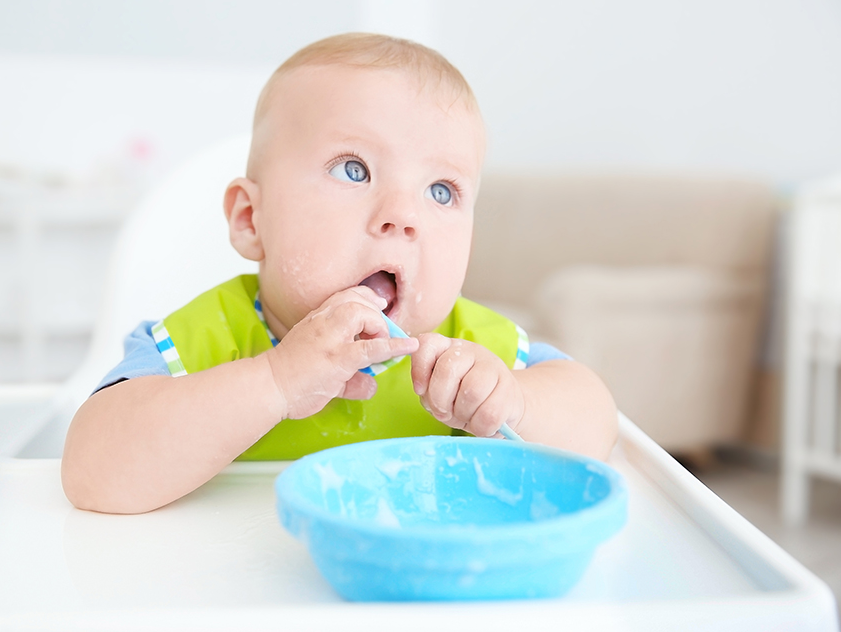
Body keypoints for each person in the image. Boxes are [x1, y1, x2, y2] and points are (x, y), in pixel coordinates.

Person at [62, 33, 618, 514]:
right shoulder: (203, 343)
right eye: (354, 170)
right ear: (251, 219)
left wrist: (514, 404)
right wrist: (274, 382)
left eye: (441, 191)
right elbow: (92, 471)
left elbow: (596, 425)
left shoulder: (470, 349)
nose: (403, 215)